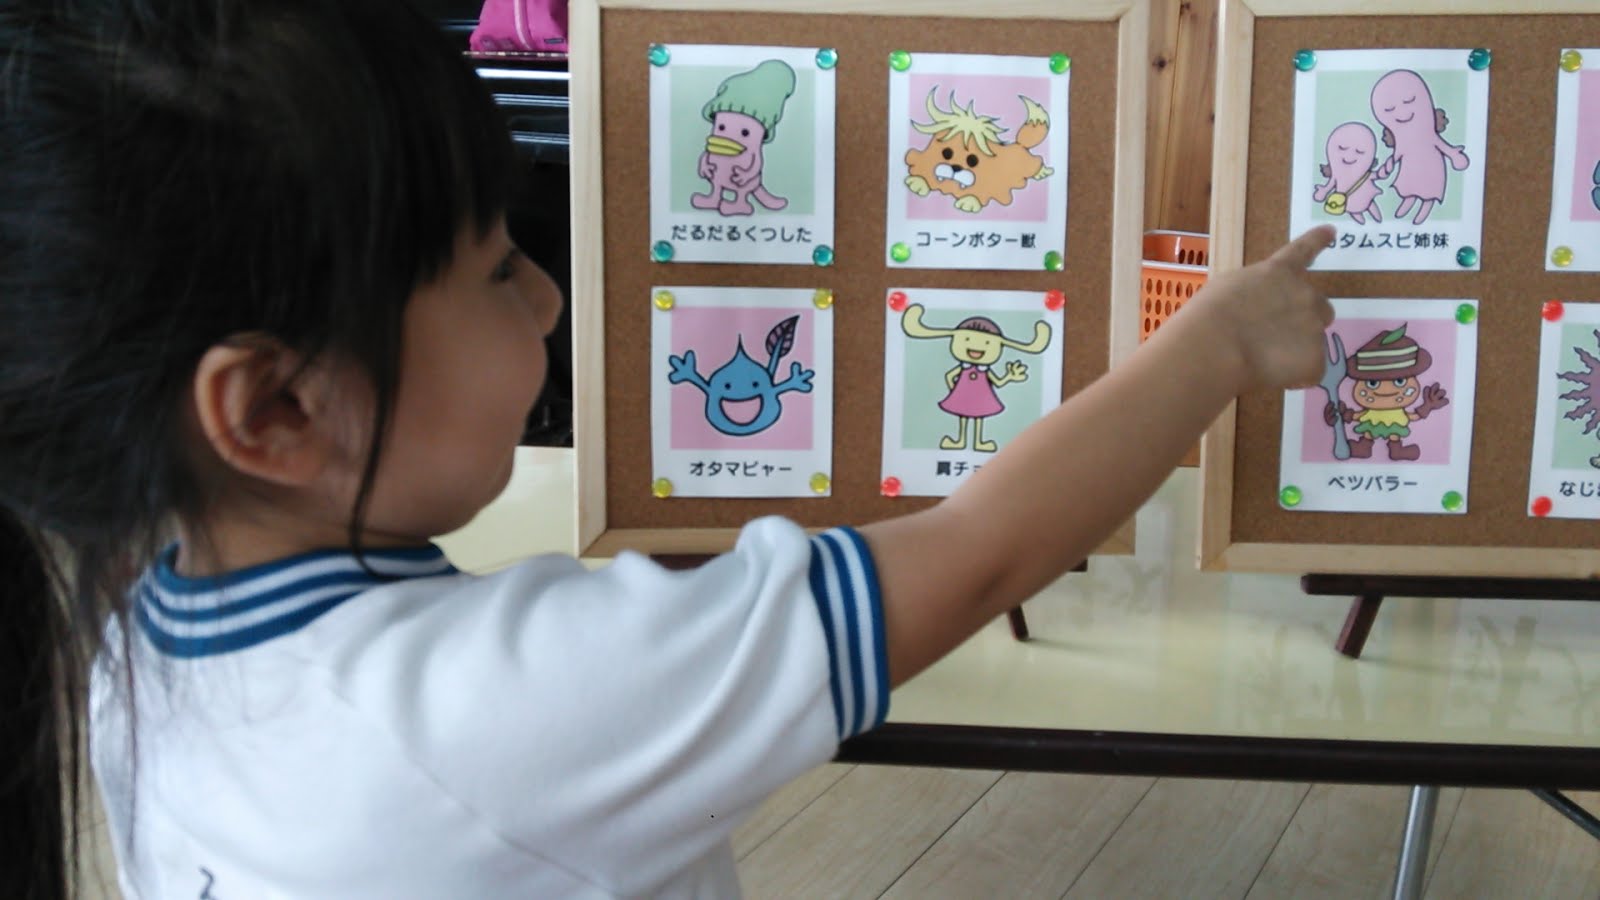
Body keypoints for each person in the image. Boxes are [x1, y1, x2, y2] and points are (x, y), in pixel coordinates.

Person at [0, 0, 1335, 897]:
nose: (550, 298)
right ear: (275, 413)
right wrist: (1216, 343)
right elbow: (977, 556)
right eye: (497, 268)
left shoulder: (127, 644)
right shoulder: (492, 707)